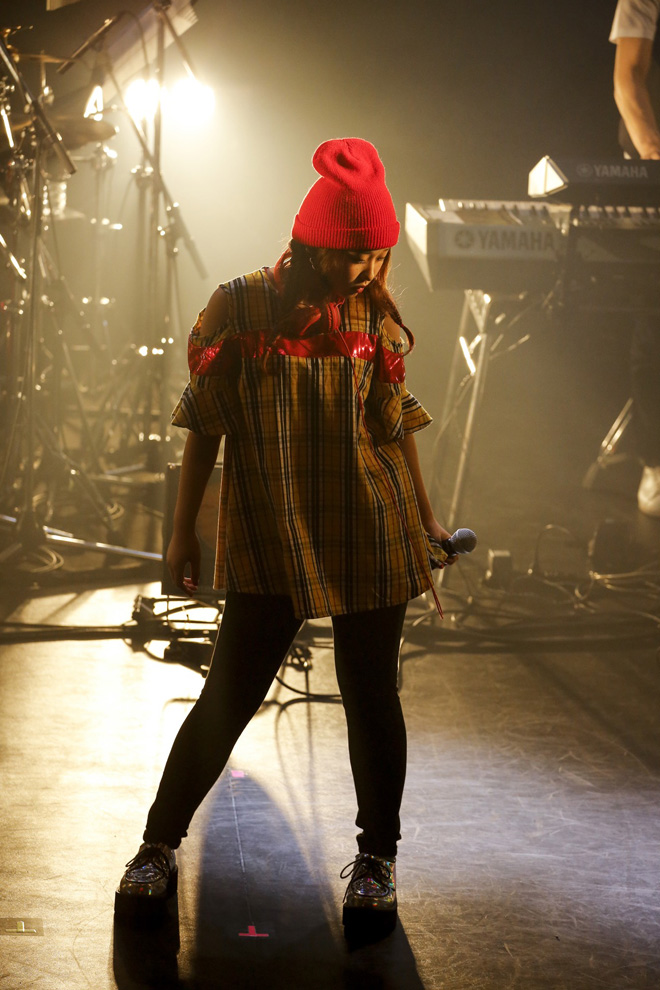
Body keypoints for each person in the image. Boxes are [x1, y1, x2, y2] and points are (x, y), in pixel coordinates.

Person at [114, 138, 455, 932]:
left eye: (376, 256)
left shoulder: (371, 314)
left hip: (368, 524)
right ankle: (157, 846)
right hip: (273, 531)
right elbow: (203, 425)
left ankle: (377, 861)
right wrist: (181, 534)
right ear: (312, 245)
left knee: (372, 697)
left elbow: (393, 424)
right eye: (354, 255)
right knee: (229, 694)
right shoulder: (238, 307)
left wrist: (426, 517)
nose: (367, 270)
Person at [610, 0, 660, 516]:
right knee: (655, 318)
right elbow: (628, 77)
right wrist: (652, 155)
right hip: (653, 171)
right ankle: (655, 461)